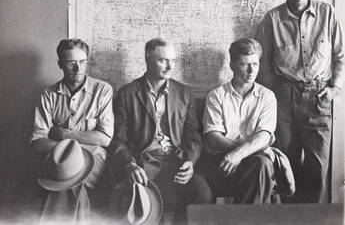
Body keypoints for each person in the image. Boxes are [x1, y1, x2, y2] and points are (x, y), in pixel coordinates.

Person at [256, 0, 345, 203]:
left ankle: (310, 218)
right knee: (286, 160)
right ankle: (288, 217)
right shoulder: (271, 20)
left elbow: (340, 55)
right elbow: (262, 64)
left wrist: (334, 88)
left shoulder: (327, 14)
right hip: (283, 97)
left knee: (317, 165)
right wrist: (274, 95)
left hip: (318, 96)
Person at [111, 38, 212, 222]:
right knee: (124, 198)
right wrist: (129, 164)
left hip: (177, 161)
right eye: (163, 60)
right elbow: (119, 140)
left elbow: (194, 137)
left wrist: (190, 161)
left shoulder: (184, 93)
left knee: (203, 194)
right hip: (143, 163)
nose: (170, 66)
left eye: (172, 60)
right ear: (147, 59)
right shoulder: (127, 94)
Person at [30, 38, 114, 222]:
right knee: (69, 176)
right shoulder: (48, 94)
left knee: (68, 181)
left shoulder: (102, 90)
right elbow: (37, 141)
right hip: (57, 157)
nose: (78, 69)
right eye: (71, 63)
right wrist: (68, 153)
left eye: (83, 62)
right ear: (60, 64)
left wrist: (63, 134)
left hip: (94, 158)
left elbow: (105, 138)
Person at [202, 38, 278, 204]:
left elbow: (264, 136)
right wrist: (239, 152)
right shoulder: (216, 96)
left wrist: (240, 154)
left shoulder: (267, 97)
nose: (251, 71)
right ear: (232, 65)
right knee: (261, 164)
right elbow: (213, 137)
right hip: (222, 160)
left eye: (255, 64)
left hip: (254, 159)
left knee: (261, 164)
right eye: (245, 64)